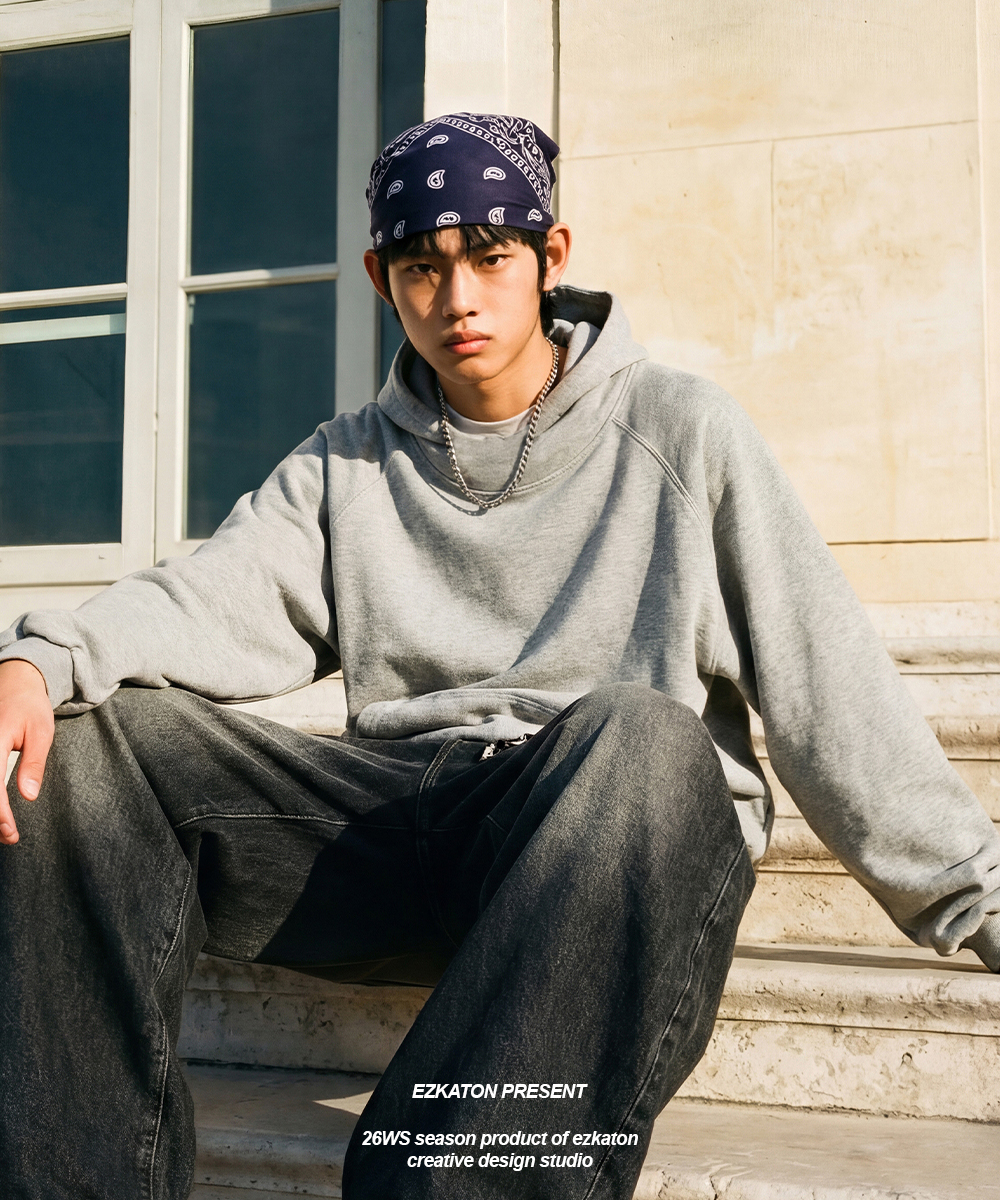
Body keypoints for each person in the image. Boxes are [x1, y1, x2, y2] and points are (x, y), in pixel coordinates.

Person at [0, 112, 997, 1200]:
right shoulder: (345, 463)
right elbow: (209, 600)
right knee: (81, 745)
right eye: (422, 269)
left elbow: (827, 682)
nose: (458, 299)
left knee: (644, 737)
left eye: (489, 258)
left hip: (598, 851)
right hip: (399, 829)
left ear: (550, 256)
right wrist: (36, 663)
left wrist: (976, 898)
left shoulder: (682, 429)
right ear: (382, 280)